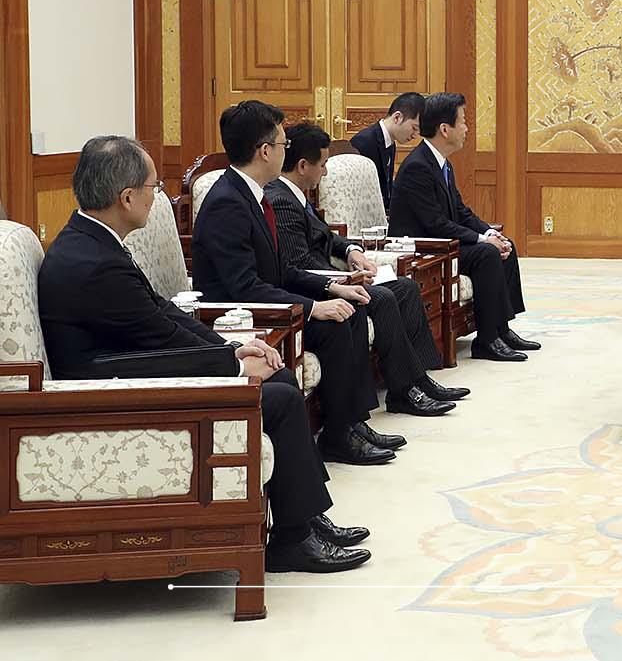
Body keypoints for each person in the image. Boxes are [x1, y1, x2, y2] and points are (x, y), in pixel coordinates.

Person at [38, 135, 371, 573]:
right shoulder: (93, 262)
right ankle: (293, 539)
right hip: (109, 393)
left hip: (129, 366)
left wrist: (232, 347)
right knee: (278, 394)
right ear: (126, 197)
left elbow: (160, 312)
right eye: (155, 188)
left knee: (278, 382)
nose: (158, 196)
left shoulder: (92, 240)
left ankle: (303, 521)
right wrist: (231, 363)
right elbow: (157, 336)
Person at [191, 100, 401, 467]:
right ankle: (338, 435)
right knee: (334, 324)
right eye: (283, 145)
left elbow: (280, 270)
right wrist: (314, 307)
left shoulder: (253, 194)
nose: (286, 152)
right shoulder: (228, 202)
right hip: (243, 316)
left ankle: (351, 423)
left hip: (268, 301)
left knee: (348, 311)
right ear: (265, 150)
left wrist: (330, 289)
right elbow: (245, 288)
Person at [268, 122, 469, 416]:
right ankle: (402, 392)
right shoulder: (281, 201)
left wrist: (351, 250)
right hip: (319, 287)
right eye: (323, 165)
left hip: (335, 278)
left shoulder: (296, 196)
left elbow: (326, 235)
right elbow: (299, 263)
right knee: (385, 298)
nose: (325, 172)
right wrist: (345, 279)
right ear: (302, 166)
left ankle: (419, 379)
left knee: (405, 288)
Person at [387, 92, 538, 362]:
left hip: (444, 240)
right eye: (463, 122)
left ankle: (501, 328)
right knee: (486, 254)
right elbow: (434, 224)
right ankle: (487, 340)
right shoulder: (417, 167)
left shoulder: (443, 164)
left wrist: (490, 233)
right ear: (445, 129)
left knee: (505, 246)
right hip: (424, 247)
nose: (467, 128)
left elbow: (459, 211)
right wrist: (481, 241)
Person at [350, 92, 425, 210]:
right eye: (414, 128)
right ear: (397, 117)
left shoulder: (390, 142)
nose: (415, 135)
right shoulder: (364, 142)